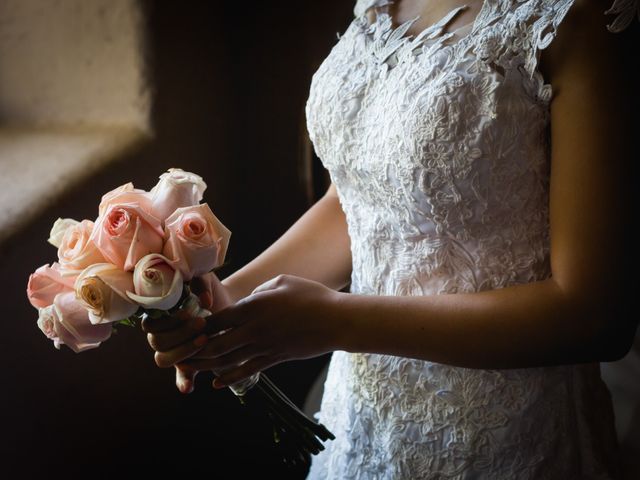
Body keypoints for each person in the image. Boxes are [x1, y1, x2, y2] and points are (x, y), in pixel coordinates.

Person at [142, 0, 639, 477]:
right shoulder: (379, 3)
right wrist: (226, 303)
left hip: (503, 436)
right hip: (361, 422)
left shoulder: (574, 19)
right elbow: (359, 204)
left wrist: (338, 322)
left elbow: (594, 316)